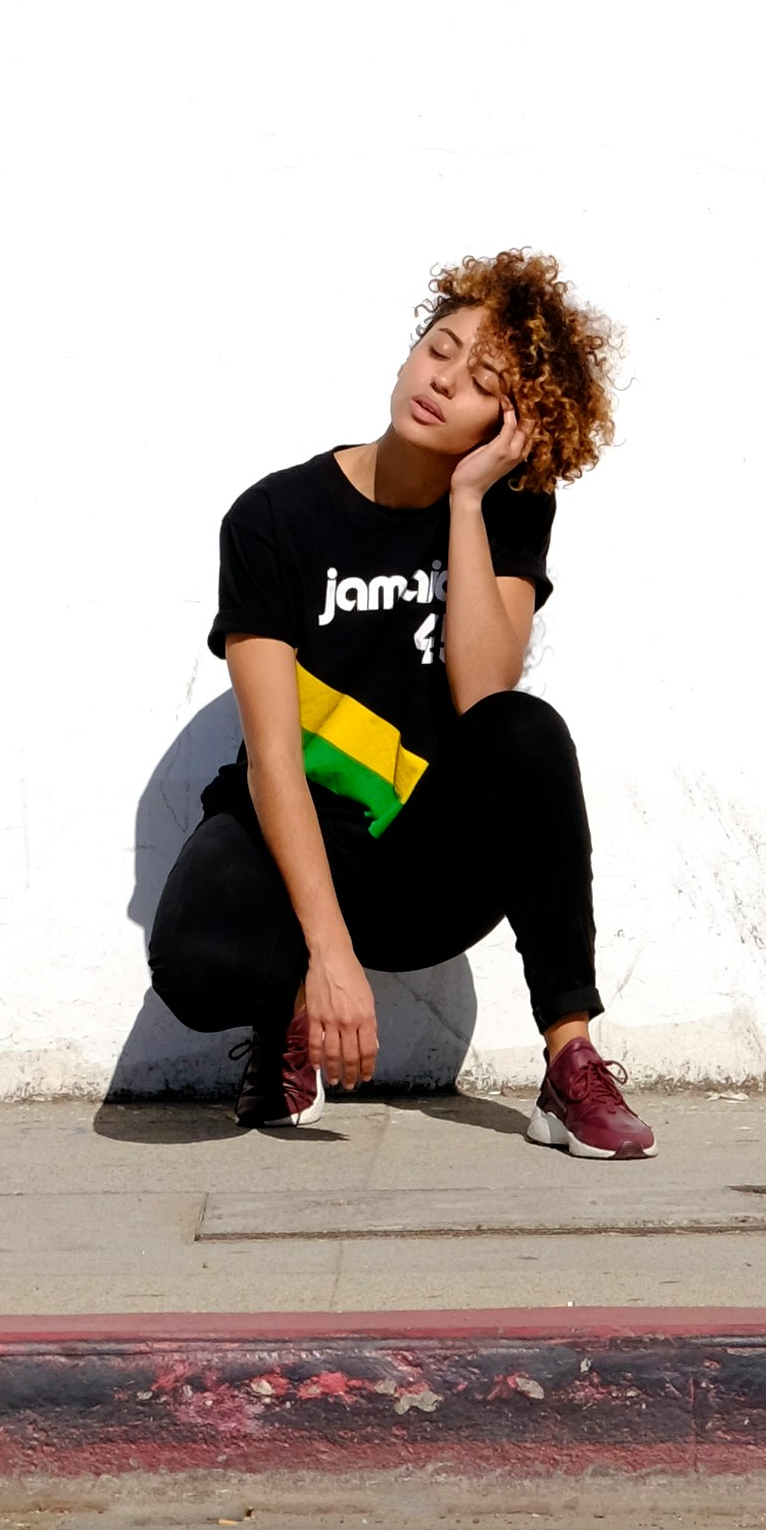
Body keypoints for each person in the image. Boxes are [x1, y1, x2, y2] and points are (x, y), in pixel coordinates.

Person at [145, 249, 655, 1158]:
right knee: (199, 960)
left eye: (480, 381)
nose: (443, 381)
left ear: (511, 420)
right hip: (290, 830)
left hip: (421, 866)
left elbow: (482, 697)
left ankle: (570, 1063)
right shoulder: (273, 520)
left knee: (528, 732)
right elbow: (270, 758)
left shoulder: (509, 508)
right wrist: (327, 958)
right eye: (440, 348)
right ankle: (287, 1015)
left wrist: (466, 501)